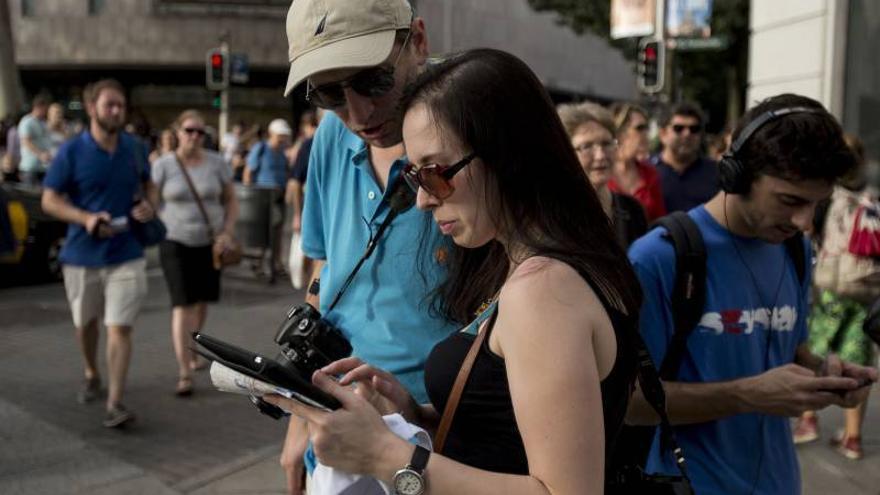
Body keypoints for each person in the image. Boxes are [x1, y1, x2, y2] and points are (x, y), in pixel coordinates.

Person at [264, 47, 641, 494]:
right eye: (414, 177)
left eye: (434, 173)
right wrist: (415, 413)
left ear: (505, 154)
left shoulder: (543, 290)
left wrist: (387, 457)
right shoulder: (543, 264)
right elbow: (513, 429)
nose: (423, 199)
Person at [626, 94, 879, 495]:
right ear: (737, 175)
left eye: (817, 204)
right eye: (790, 201)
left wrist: (825, 377)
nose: (804, 221)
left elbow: (787, 352)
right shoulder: (659, 258)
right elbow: (629, 403)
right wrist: (746, 395)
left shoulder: (794, 248)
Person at [276, 0, 460, 492]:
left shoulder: (470, 127)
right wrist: (303, 409)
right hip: (337, 421)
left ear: (418, 41)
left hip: (445, 433)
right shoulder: (330, 137)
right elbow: (326, 268)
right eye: (327, 93)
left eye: (373, 80)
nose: (357, 113)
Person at [41, 79, 156, 428]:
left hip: (127, 251)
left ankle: (115, 402)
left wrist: (150, 204)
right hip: (81, 255)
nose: (117, 111)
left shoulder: (135, 148)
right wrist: (86, 218)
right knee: (86, 324)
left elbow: (149, 184)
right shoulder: (72, 151)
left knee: (119, 327)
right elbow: (49, 200)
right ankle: (92, 370)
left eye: (121, 105)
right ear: (92, 108)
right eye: (110, 105)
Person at [793, 134, 877, 460]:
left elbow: (808, 232)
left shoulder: (827, 196)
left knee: (816, 351)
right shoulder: (872, 197)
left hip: (830, 288)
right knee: (856, 357)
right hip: (867, 289)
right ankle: (852, 438)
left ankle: (808, 419)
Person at [151, 109, 239, 396]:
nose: (195, 136)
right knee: (182, 304)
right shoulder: (164, 165)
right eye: (189, 130)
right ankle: (184, 370)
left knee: (201, 302)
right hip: (174, 240)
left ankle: (190, 345)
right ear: (177, 132)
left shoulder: (217, 164)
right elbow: (152, 202)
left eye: (201, 132)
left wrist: (227, 231)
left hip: (210, 242)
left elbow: (231, 200)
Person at [558, 101, 647, 247]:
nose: (600, 156)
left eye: (606, 144)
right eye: (586, 146)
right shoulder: (555, 215)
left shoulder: (633, 210)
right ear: (566, 152)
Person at [244, 118, 291, 280]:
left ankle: (274, 262)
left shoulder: (282, 153)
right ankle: (261, 261)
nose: (283, 139)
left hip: (278, 196)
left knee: (277, 230)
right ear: (272, 134)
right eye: (280, 136)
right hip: (262, 197)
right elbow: (249, 171)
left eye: (284, 136)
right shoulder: (261, 148)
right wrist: (248, 194)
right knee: (263, 231)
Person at [651, 102, 718, 213]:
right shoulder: (647, 172)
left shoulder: (716, 172)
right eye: (678, 128)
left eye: (694, 129)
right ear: (663, 134)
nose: (687, 134)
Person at [608, 102, 666, 222]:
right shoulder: (599, 171)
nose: (647, 134)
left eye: (647, 128)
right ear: (619, 132)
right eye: (640, 128)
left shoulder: (650, 174)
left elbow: (660, 222)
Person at [18, 94, 53, 186]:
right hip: (30, 167)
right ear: (38, 107)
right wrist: (40, 154)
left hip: (43, 167)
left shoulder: (42, 122)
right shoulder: (26, 121)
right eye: (45, 109)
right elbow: (25, 141)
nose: (46, 112)